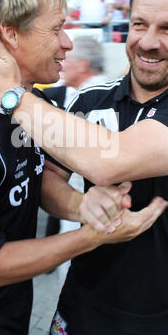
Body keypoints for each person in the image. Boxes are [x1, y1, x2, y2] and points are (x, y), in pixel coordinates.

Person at [0, 0, 167, 335]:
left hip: (15, 299)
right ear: (10, 33)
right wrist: (92, 236)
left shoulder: (31, 100)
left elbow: (38, 176)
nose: (68, 42)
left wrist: (81, 206)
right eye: (56, 29)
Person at [0, 0, 168, 335]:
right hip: (81, 301)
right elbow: (50, 177)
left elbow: (111, 162)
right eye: (139, 24)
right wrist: (77, 205)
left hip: (163, 315)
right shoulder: (92, 98)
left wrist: (13, 97)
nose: (148, 41)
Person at [44, 36, 110, 285]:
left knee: (73, 278)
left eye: (67, 58)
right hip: (82, 205)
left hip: (86, 207)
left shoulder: (94, 96)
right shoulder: (94, 92)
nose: (61, 62)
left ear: (83, 64)